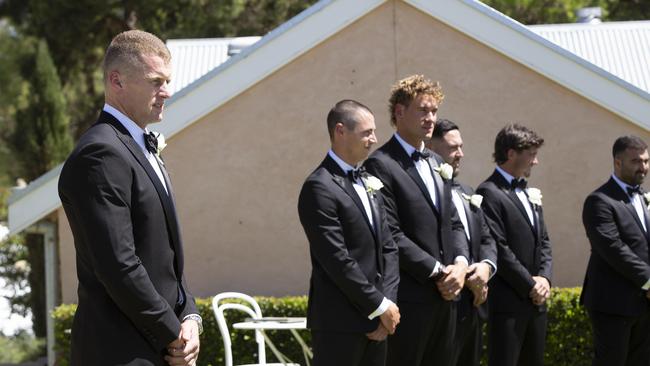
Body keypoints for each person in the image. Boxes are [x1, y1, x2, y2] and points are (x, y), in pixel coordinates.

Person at [58, 30, 201, 366]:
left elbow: (163, 258)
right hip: (121, 352)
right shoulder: (101, 154)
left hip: (159, 348)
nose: (166, 91)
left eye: (167, 80)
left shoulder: (139, 146)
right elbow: (118, 266)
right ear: (116, 80)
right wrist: (172, 334)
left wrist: (191, 316)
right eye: (156, 81)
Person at [364, 75, 469, 366]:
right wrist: (438, 273)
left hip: (448, 298)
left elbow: (454, 222)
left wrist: (460, 265)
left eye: (434, 111)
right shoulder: (380, 164)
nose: (430, 118)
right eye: (423, 110)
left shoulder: (437, 163)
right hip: (411, 298)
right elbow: (391, 234)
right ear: (399, 112)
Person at [298, 99, 400, 366]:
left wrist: (388, 305)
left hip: (380, 322)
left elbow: (388, 247)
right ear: (340, 131)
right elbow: (336, 259)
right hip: (339, 325)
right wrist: (377, 306)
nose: (374, 139)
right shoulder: (319, 187)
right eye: (367, 132)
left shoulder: (368, 181)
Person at [476, 124, 552, 366]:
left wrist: (545, 279)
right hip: (508, 304)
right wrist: (531, 285)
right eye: (531, 154)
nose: (535, 161)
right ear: (511, 154)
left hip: (535, 304)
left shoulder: (529, 193)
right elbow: (499, 247)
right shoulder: (489, 193)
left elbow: (544, 242)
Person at [427, 119, 497, 366]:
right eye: (453, 148)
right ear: (431, 149)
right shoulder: (427, 194)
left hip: (473, 305)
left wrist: (485, 268)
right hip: (442, 301)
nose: (461, 154)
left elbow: (487, 237)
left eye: (461, 147)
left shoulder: (467, 191)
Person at [581, 135, 650, 366]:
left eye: (646, 161)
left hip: (645, 303)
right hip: (614, 302)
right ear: (618, 162)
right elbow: (613, 248)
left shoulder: (644, 198)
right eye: (636, 161)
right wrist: (649, 280)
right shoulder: (599, 201)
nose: (643, 167)